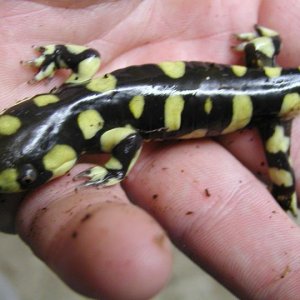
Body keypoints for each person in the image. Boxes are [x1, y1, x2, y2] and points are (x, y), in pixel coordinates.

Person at [1, 0, 300, 299]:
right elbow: (88, 59)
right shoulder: (75, 88)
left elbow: (130, 139)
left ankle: (285, 194)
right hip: (262, 85)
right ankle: (265, 46)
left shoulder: (96, 124)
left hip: (271, 108)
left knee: (279, 164)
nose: (27, 179)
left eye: (28, 177)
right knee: (274, 136)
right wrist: (58, 54)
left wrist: (116, 168)